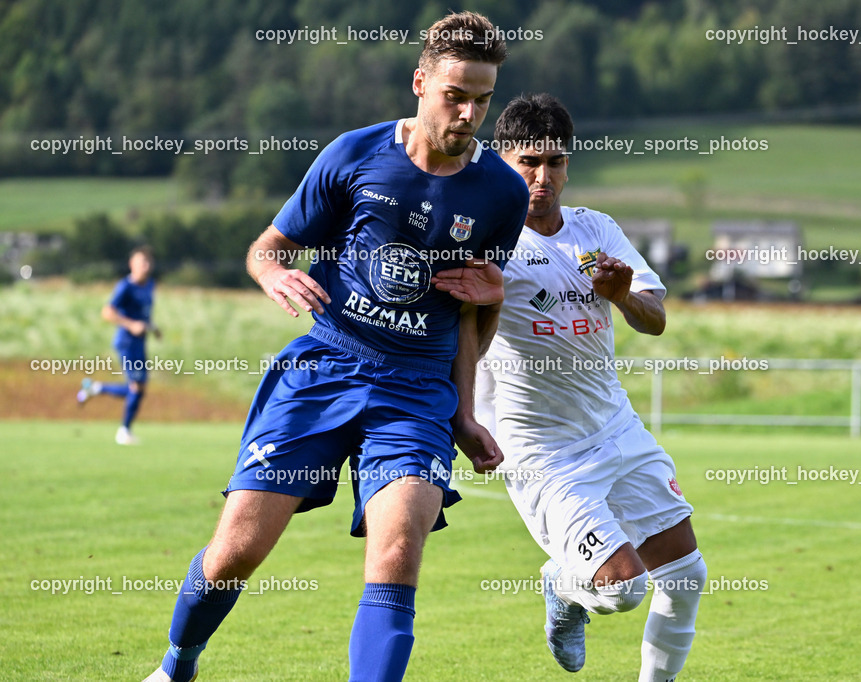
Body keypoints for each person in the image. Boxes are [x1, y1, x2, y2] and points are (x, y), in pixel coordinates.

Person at [143, 12, 528, 682]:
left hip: (415, 391)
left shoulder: (502, 192)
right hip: (325, 368)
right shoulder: (354, 154)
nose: (469, 112)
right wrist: (274, 272)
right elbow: (267, 249)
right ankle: (178, 663)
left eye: (483, 99)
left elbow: (474, 313)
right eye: (455, 95)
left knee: (398, 550)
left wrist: (466, 410)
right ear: (419, 83)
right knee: (236, 550)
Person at [476, 94, 706, 680]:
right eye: (529, 161)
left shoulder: (596, 230)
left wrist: (624, 295)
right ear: (501, 161)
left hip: (616, 428)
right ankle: (562, 582)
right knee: (625, 588)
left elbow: (655, 318)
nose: (543, 176)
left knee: (686, 577)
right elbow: (456, 338)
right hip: (543, 453)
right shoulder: (487, 243)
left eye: (555, 162)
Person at [78, 244, 161, 445]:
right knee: (135, 387)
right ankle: (123, 431)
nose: (146, 266)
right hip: (126, 342)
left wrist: (153, 327)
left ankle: (96, 389)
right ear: (131, 264)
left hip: (140, 342)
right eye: (142, 262)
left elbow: (142, 313)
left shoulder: (149, 285)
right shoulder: (125, 286)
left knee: (138, 389)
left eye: (149, 262)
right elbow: (107, 312)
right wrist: (131, 324)